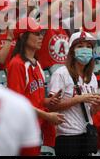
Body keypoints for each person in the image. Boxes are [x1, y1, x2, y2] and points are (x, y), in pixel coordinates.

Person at [7, 17, 65, 148]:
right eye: (36, 34)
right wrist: (47, 115)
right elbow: (18, 104)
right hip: (25, 129)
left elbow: (35, 99)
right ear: (23, 36)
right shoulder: (17, 64)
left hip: (39, 127)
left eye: (42, 34)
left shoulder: (37, 63)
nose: (41, 37)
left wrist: (48, 102)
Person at [47, 31, 100, 156]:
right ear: (72, 51)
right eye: (80, 46)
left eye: (88, 46)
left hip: (86, 135)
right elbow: (51, 106)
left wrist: (96, 106)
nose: (85, 49)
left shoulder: (92, 77)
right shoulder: (61, 73)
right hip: (67, 137)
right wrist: (78, 99)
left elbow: (89, 112)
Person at [35, 0, 70, 70]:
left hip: (66, 72)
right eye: (51, 4)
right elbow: (48, 14)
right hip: (48, 72)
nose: (57, 7)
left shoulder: (64, 26)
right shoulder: (38, 25)